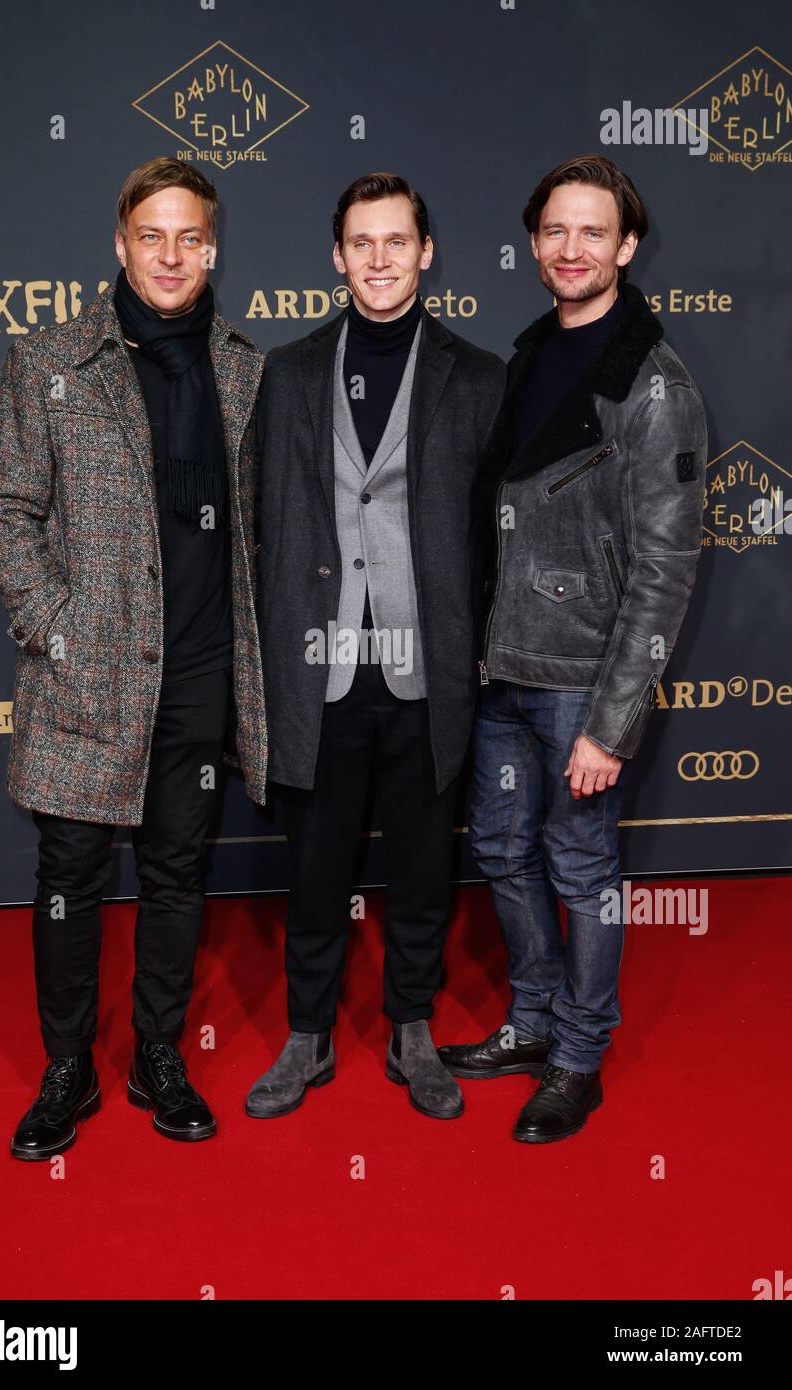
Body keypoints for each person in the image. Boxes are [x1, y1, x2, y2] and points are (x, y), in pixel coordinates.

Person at [0, 157, 266, 1158]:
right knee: (71, 872)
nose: (172, 254)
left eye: (190, 236)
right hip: (84, 672)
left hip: (196, 673)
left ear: (213, 246)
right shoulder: (50, 361)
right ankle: (67, 1068)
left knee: (179, 873)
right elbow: (7, 511)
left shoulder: (243, 366)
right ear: (120, 243)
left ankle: (157, 1054)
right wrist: (53, 626)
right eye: (153, 236)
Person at [439, 154, 707, 1143]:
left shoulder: (652, 386)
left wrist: (610, 722)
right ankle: (533, 1018)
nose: (570, 248)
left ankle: (578, 1055)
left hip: (580, 687)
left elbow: (664, 571)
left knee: (579, 864)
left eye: (591, 232)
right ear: (532, 241)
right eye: (554, 230)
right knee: (505, 854)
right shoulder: (525, 358)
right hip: (502, 670)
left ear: (625, 247)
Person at [247, 172, 506, 1121]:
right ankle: (307, 1036)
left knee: (424, 867)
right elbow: (263, 522)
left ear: (427, 252)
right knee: (315, 867)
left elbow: (495, 534)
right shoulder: (290, 373)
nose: (381, 260)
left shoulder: (479, 378)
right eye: (363, 243)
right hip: (319, 664)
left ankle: (412, 1033)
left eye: (398, 241)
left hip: (428, 669)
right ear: (337, 256)